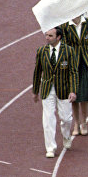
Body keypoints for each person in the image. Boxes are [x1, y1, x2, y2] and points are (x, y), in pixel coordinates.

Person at [33, 26, 77, 158]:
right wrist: (35, 91)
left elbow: (73, 72)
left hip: (64, 89)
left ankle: (66, 135)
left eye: (50, 36)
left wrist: (73, 90)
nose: (47, 38)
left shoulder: (69, 51)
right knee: (48, 118)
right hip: (47, 89)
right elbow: (37, 71)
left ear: (58, 37)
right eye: (46, 35)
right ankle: (50, 147)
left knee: (66, 118)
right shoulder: (41, 51)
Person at [62, 15, 88, 136]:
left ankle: (84, 122)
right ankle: (76, 123)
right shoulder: (65, 26)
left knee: (84, 94)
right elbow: (64, 47)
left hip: (86, 62)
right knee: (74, 95)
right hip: (73, 64)